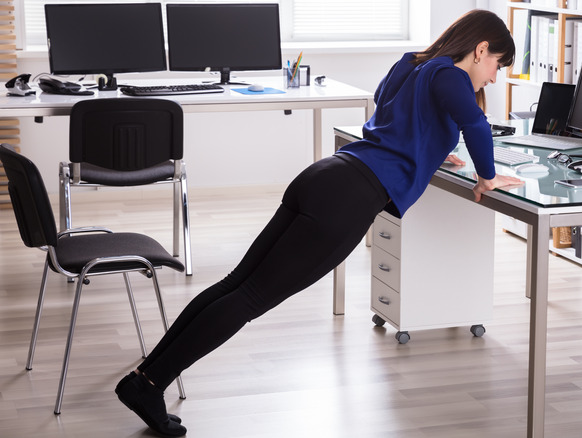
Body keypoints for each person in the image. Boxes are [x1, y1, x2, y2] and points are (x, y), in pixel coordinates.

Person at [114, 9, 524, 436]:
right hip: (350, 198)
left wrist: (431, 148)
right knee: (249, 299)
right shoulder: (451, 75)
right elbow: (475, 123)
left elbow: (391, 112)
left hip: (325, 176)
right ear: (480, 50)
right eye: (497, 64)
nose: (494, 77)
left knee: (236, 284)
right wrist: (487, 176)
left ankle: (144, 379)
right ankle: (149, 384)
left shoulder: (412, 63)